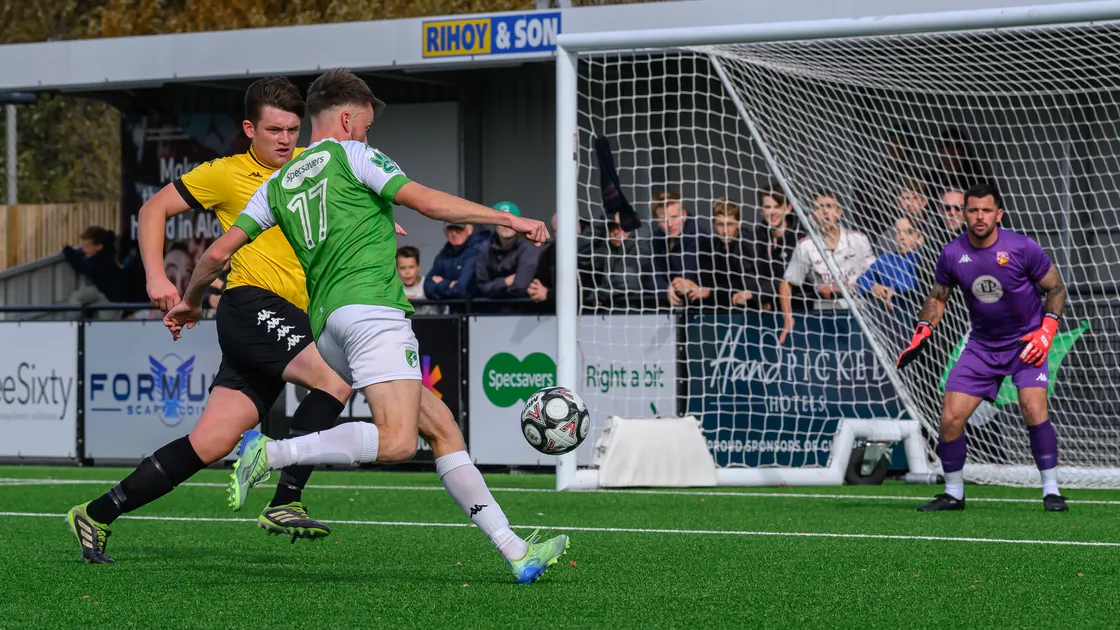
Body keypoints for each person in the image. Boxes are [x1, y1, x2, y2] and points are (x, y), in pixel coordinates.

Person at [165, 68, 569, 584]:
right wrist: (505, 219)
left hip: (329, 325)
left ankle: (516, 551)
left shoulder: (276, 184)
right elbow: (424, 201)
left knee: (441, 428)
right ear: (349, 118)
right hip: (373, 313)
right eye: (367, 126)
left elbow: (217, 252)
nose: (367, 135)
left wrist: (192, 301)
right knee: (398, 443)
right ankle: (271, 450)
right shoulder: (352, 154)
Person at [65, 77, 360, 565]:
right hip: (252, 305)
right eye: (274, 130)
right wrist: (158, 279)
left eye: (292, 129)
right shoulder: (225, 174)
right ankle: (285, 500)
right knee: (334, 386)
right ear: (249, 129)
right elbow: (153, 208)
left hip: (289, 318)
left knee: (212, 442)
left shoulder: (313, 164)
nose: (286, 140)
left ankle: (96, 513)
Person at [896, 183, 1068, 512]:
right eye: (972, 210)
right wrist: (922, 331)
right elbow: (937, 297)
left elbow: (1056, 287)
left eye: (986, 210)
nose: (979, 216)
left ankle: (1051, 490)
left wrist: (1047, 329)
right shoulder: (951, 253)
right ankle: (953, 493)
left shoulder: (1022, 247)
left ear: (998, 214)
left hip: (1027, 344)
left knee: (1033, 410)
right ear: (964, 214)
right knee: (950, 417)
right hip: (982, 347)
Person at [778, 191, 875, 343]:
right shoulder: (806, 245)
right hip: (824, 317)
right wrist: (787, 319)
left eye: (829, 206)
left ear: (839, 212)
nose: (824, 212)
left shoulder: (858, 239)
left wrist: (848, 287)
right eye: (819, 207)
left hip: (860, 313)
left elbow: (875, 276)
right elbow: (786, 283)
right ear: (812, 214)